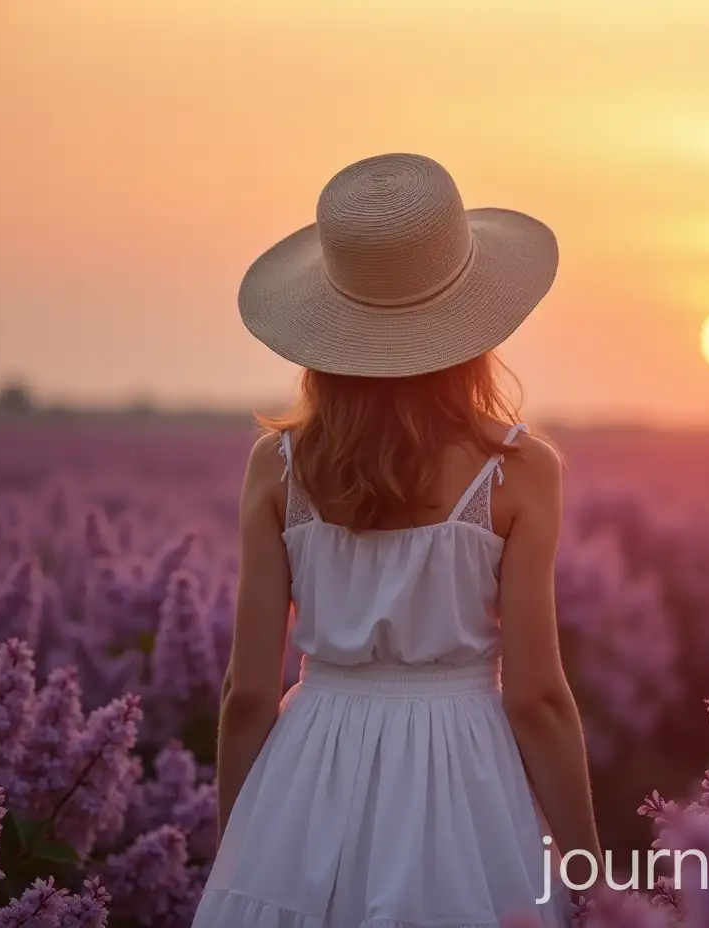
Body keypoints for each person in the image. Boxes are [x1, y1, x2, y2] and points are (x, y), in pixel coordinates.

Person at [192, 153, 601, 927]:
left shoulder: (277, 466)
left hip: (309, 774)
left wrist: (241, 844)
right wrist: (592, 879)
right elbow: (539, 697)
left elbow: (247, 692)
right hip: (463, 775)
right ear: (474, 319)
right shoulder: (520, 470)